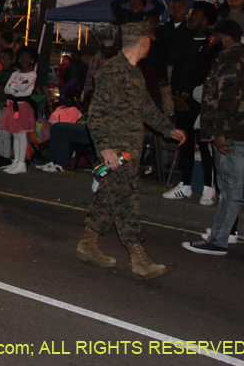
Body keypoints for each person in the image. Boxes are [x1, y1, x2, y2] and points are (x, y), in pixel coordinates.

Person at [76, 21, 186, 280]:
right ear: (144, 41)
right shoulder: (113, 71)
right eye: (150, 40)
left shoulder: (134, 72)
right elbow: (96, 114)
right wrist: (105, 147)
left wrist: (168, 129)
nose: (151, 45)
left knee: (109, 196)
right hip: (117, 152)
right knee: (126, 200)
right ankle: (139, 257)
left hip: (128, 150)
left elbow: (146, 108)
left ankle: (88, 243)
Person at [182, 20, 244, 256]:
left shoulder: (227, 60)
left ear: (226, 37)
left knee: (229, 188)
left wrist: (219, 133)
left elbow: (226, 97)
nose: (209, 39)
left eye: (213, 36)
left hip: (232, 132)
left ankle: (219, 240)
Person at [164, 1, 219, 202]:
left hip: (202, 104)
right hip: (181, 103)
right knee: (184, 142)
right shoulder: (185, 40)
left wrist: (188, 94)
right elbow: (176, 70)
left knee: (205, 146)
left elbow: (209, 74)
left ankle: (208, 188)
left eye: (192, 15)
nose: (188, 18)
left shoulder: (213, 44)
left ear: (204, 19)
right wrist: (177, 94)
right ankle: (185, 184)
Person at [0, 47, 39, 175]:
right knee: (15, 135)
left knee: (21, 135)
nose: (24, 60)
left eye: (27, 57)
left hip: (23, 107)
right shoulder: (15, 73)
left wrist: (14, 87)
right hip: (12, 106)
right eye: (22, 57)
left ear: (32, 60)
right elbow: (6, 89)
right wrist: (15, 88)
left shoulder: (32, 74)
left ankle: (22, 162)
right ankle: (16, 160)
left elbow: (23, 87)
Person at [0, 47, 16, 167]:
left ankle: (6, 156)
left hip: (8, 105)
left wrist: (3, 90)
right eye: (3, 58)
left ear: (12, 60)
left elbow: (13, 90)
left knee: (5, 132)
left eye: (7, 59)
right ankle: (1, 154)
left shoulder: (14, 74)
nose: (4, 61)